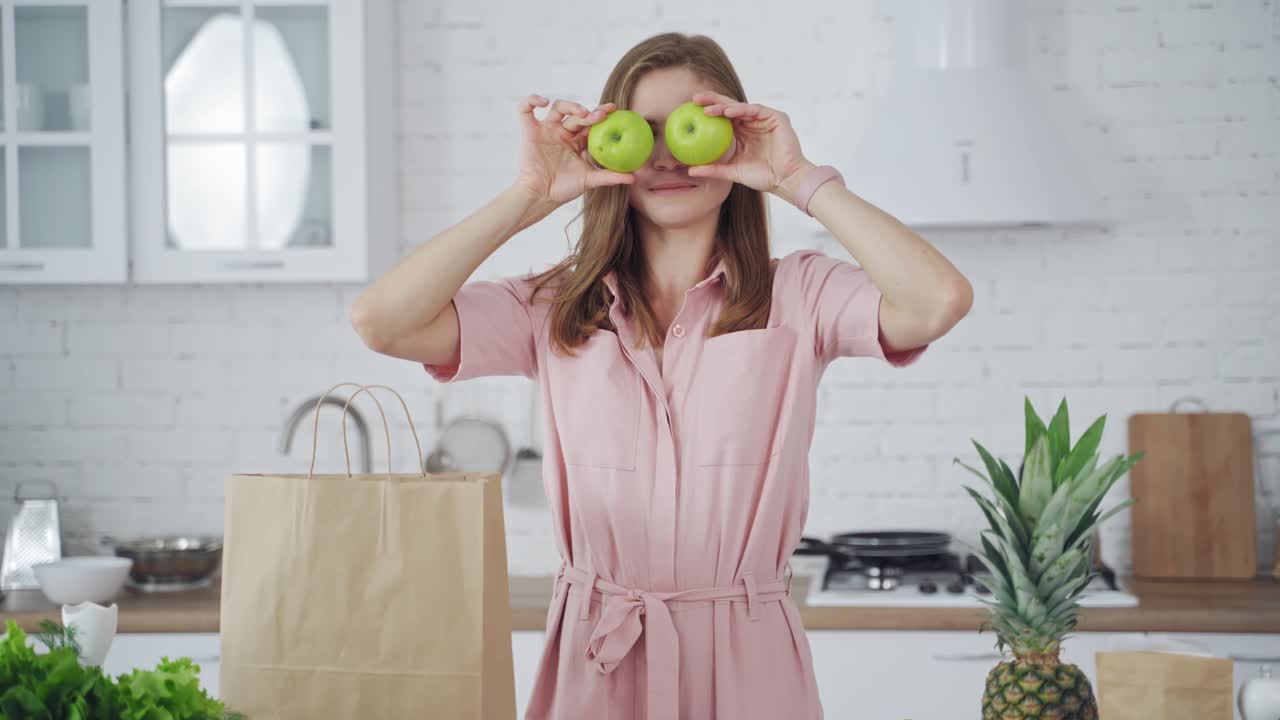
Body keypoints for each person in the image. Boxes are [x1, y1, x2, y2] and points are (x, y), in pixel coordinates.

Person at [352, 32, 972, 720]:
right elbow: (383, 322)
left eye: (691, 129)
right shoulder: (554, 308)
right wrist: (530, 193)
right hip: (599, 656)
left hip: (749, 658)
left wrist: (798, 178)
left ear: (731, 138)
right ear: (608, 143)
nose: (669, 156)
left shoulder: (799, 296)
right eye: (640, 134)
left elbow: (937, 301)